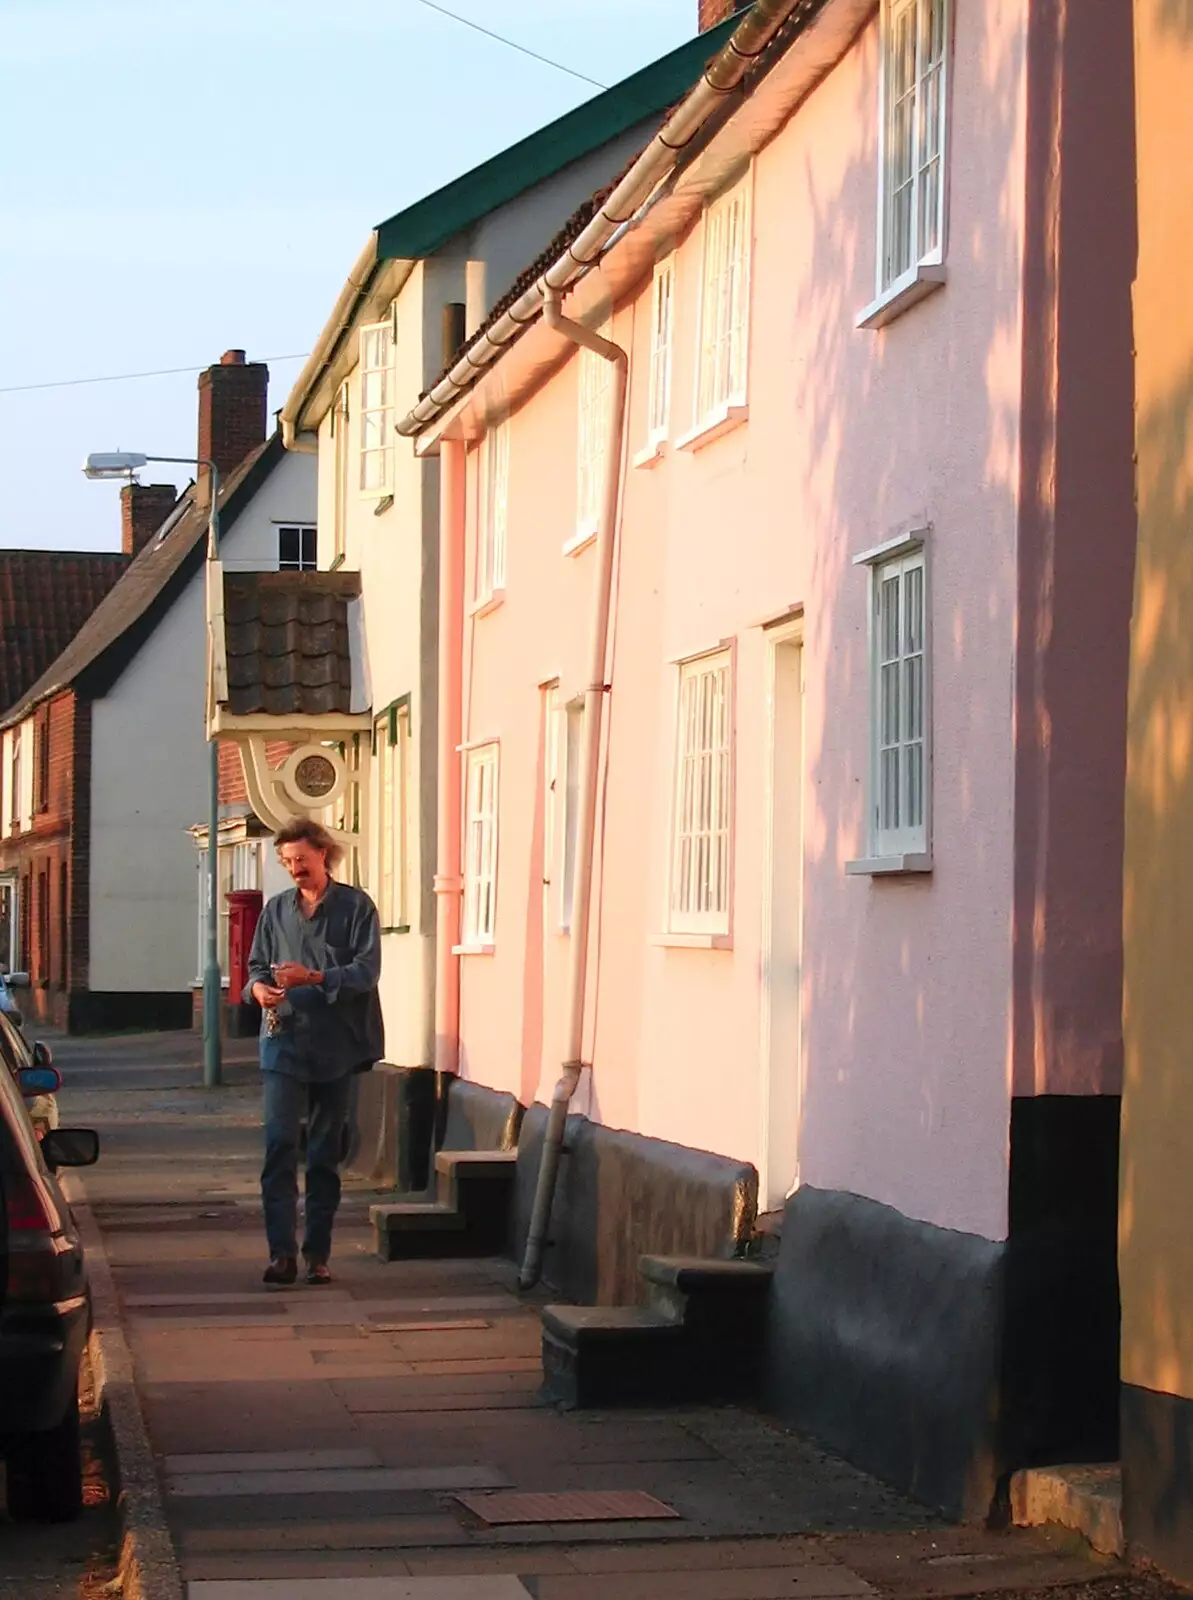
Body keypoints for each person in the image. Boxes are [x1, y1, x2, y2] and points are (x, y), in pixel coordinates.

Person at [246, 818, 383, 1287]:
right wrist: (258, 988)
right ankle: (281, 1253)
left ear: (324, 854)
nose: (294, 869)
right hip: (282, 1039)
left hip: (336, 1044)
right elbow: (255, 965)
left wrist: (318, 978)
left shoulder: (356, 907)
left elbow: (366, 971)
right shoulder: (276, 910)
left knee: (324, 1152)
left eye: (301, 859)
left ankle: (317, 1255)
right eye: (286, 862)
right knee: (280, 1144)